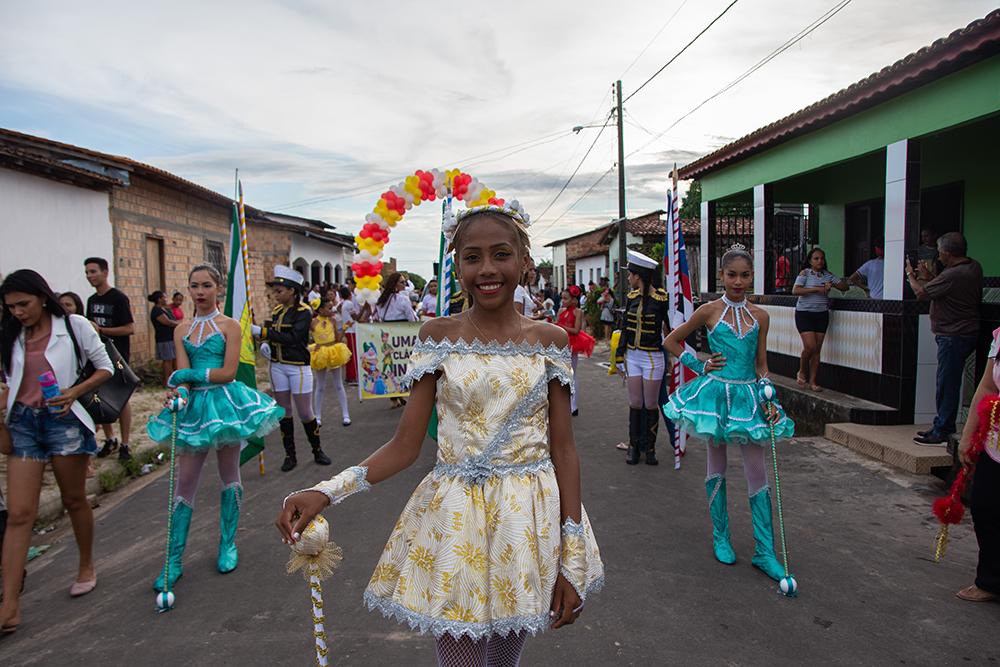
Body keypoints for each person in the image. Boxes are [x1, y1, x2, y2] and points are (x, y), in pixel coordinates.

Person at [276, 200, 603, 666]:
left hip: (527, 522)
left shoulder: (549, 340)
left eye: (501, 254)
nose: (487, 269)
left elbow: (564, 450)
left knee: (504, 659)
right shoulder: (437, 336)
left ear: (525, 262)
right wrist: (326, 491)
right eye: (472, 257)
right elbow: (405, 446)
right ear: (457, 265)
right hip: (457, 521)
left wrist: (572, 556)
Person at [147, 264, 284, 594]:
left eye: (206, 285)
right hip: (195, 409)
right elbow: (181, 374)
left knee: (229, 475)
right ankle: (174, 560)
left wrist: (188, 378)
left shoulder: (230, 326)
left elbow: (227, 371)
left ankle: (227, 545)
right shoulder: (182, 329)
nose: (199, 291)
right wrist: (178, 392)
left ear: (218, 288)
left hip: (224, 405)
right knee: (185, 482)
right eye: (194, 286)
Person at [663, 244, 795, 583]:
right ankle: (721, 537)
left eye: (745, 275)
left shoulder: (761, 316)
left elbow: (761, 364)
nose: (738, 281)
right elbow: (672, 342)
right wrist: (700, 364)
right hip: (716, 396)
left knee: (757, 471)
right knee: (716, 464)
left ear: (752, 276)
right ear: (721, 276)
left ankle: (764, 551)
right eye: (732, 274)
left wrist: (769, 393)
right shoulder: (708, 311)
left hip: (749, 396)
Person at [1, 270, 114, 632]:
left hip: (63, 420)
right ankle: (10, 604)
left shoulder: (73, 324)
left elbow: (106, 367)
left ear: (42, 297)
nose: (18, 312)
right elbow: (8, 381)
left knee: (74, 499)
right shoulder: (10, 334)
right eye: (10, 307)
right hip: (23, 424)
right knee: (19, 513)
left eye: (24, 304)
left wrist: (74, 393)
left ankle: (86, 564)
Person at [907, 232, 983, 445]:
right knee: (947, 381)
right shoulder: (973, 267)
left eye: (940, 253)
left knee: (946, 383)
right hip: (963, 331)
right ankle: (941, 423)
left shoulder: (954, 274)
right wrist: (929, 276)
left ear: (948, 253)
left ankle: (943, 429)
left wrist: (910, 275)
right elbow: (947, 289)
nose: (938, 256)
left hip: (953, 334)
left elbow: (921, 293)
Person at [254, 266, 329, 471]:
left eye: (280, 290)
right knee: (284, 411)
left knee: (305, 412)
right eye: (275, 290)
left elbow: (294, 338)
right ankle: (290, 455)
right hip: (277, 366)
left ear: (292, 291)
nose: (276, 295)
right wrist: (266, 343)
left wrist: (264, 333)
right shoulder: (277, 312)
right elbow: (273, 334)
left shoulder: (304, 312)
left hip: (298, 367)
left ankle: (317, 450)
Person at [612, 250, 670, 466]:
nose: (628, 278)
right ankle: (634, 446)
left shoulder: (662, 299)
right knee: (635, 402)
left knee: (651, 403)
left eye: (631, 274)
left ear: (639, 276)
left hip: (654, 357)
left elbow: (670, 327)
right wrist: (619, 356)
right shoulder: (631, 298)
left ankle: (650, 448)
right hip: (633, 356)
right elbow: (625, 328)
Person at [954, 326, 1000, 602]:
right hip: (995, 442)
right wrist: (968, 436)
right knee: (985, 507)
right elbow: (986, 385)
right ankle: (991, 581)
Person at [84, 257, 135, 461]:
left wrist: (102, 330)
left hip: (117, 354)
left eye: (93, 271)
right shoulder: (91, 300)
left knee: (121, 399)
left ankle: (126, 443)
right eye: (87, 272)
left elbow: (129, 328)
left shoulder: (119, 298)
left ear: (105, 272)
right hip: (98, 355)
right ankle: (110, 439)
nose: (90, 276)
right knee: (100, 398)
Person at [792, 247, 848, 392]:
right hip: (804, 313)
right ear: (810, 261)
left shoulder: (827, 275)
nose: (820, 261)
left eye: (822, 258)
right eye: (816, 258)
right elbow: (796, 290)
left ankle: (813, 381)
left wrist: (833, 283)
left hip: (821, 314)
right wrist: (817, 289)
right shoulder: (805, 273)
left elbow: (844, 287)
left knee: (817, 349)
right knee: (809, 346)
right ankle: (802, 370)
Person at [375, 272, 418, 408]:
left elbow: (379, 315)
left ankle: (394, 395)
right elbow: (411, 318)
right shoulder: (402, 299)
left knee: (392, 365)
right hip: (402, 333)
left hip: (388, 333)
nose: (405, 285)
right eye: (402, 282)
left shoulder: (382, 299)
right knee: (404, 363)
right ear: (395, 284)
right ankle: (404, 392)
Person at [311, 298, 352, 427]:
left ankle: (346, 414)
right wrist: (311, 346)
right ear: (321, 309)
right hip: (320, 353)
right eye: (329, 308)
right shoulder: (313, 322)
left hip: (333, 351)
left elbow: (338, 338)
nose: (332, 310)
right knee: (320, 386)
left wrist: (344, 328)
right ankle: (317, 416)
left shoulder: (333, 321)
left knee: (338, 384)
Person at [556, 285, 595, 417]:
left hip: (572, 343)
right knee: (560, 374)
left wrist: (560, 326)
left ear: (574, 300)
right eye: (562, 298)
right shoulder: (561, 311)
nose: (563, 301)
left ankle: (574, 405)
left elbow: (576, 330)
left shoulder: (578, 312)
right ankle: (563, 403)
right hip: (560, 344)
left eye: (566, 298)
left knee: (572, 373)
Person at [148, 290, 181, 386]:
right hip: (164, 338)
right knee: (168, 360)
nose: (166, 299)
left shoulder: (164, 309)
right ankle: (167, 381)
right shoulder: (156, 311)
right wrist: (180, 323)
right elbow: (168, 322)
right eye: (164, 297)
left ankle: (174, 379)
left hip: (170, 338)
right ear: (159, 299)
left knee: (173, 359)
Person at [338, 286, 359, 384]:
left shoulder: (343, 304)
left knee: (349, 355)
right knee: (353, 355)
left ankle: (349, 376)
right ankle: (352, 376)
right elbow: (356, 317)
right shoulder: (349, 304)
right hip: (351, 330)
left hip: (347, 330)